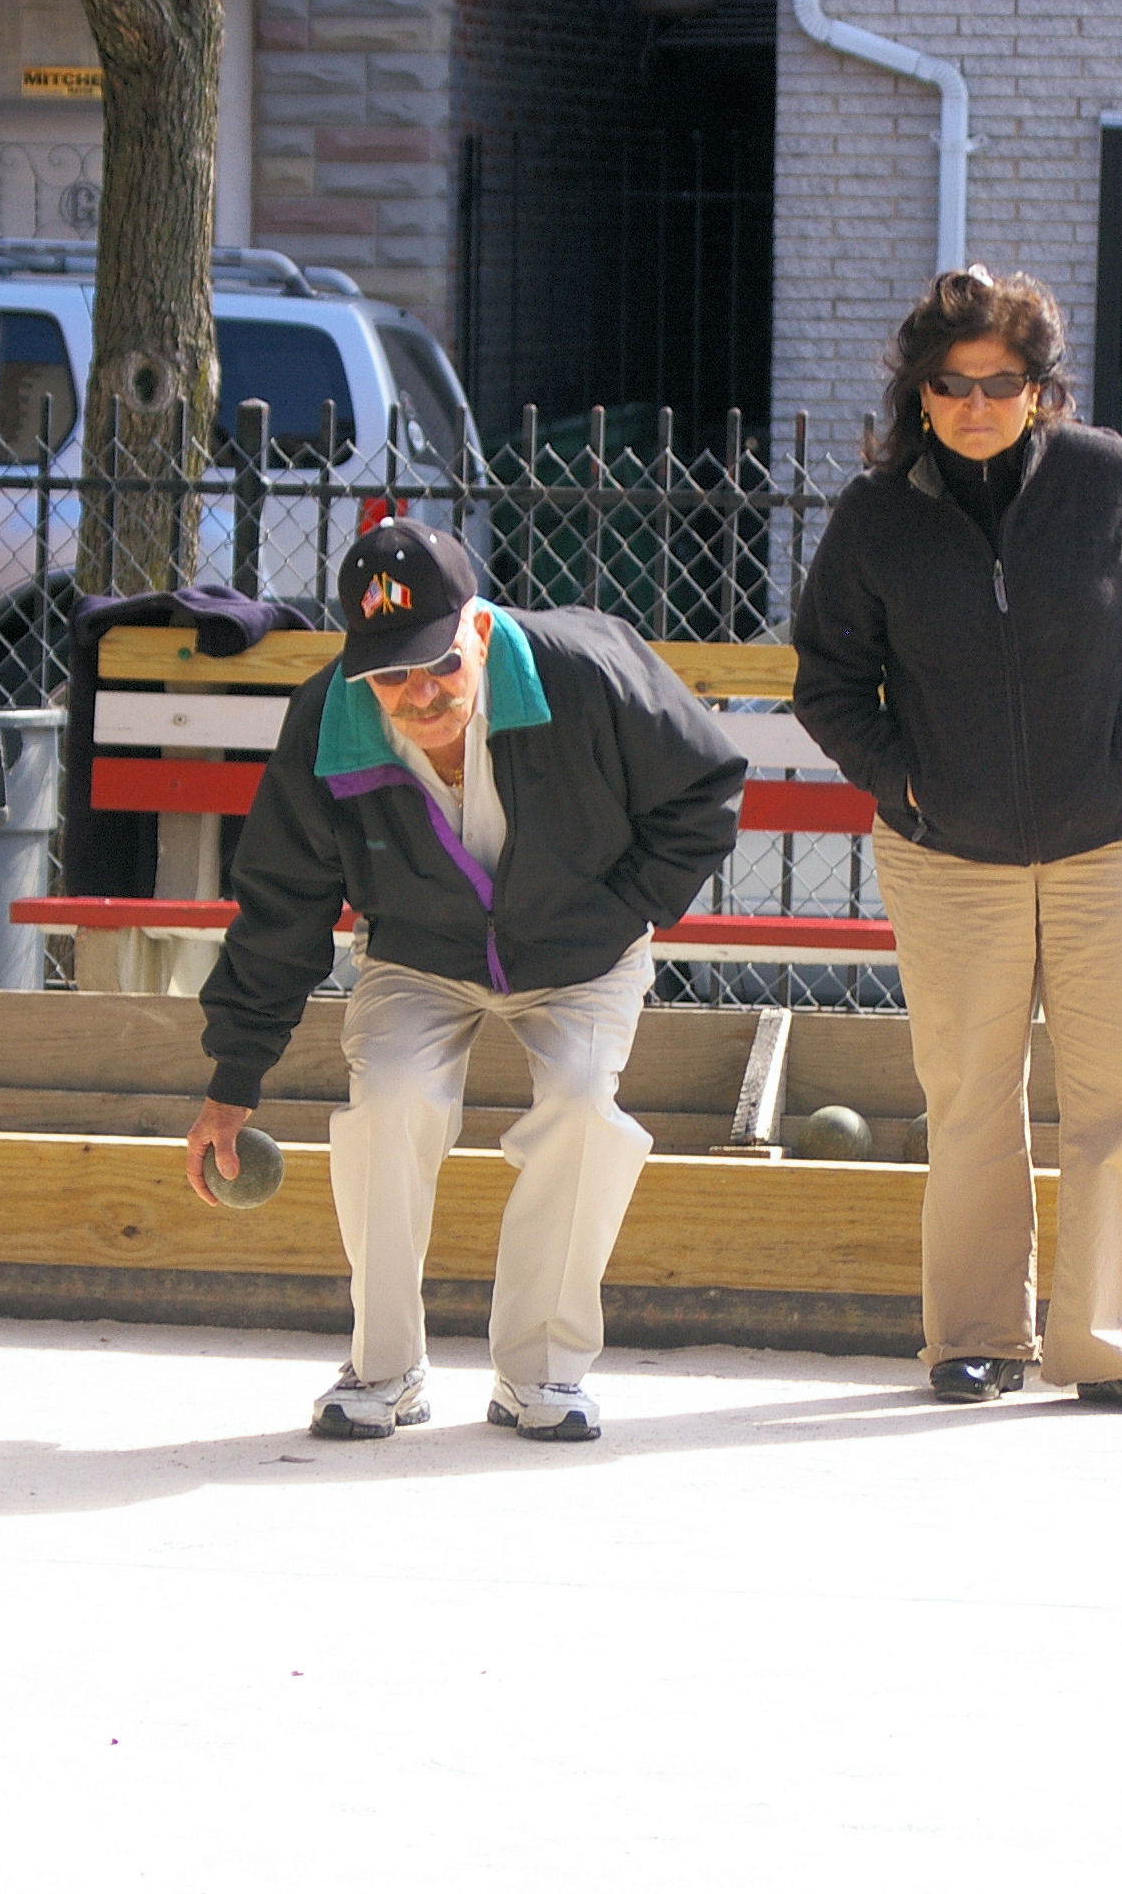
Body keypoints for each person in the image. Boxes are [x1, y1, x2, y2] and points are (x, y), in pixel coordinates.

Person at [187, 520, 745, 1442]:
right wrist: (232, 1080)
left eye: (440, 664)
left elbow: (706, 788)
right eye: (391, 675)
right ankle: (384, 1368)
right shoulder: (330, 719)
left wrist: (620, 911)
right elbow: (283, 900)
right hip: (421, 949)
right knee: (389, 1098)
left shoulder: (585, 668)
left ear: (478, 631)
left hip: (582, 948)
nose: (421, 694)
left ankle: (541, 1372)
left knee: (581, 1105)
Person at [791, 266, 1122, 1415]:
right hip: (945, 857)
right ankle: (974, 1336)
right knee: (971, 1101)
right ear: (918, 394)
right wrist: (908, 781)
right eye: (951, 382)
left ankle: (1117, 1342)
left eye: (1000, 381)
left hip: (1109, 847)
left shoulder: (1107, 482)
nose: (974, 403)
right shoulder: (875, 517)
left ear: (1038, 389)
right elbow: (827, 680)